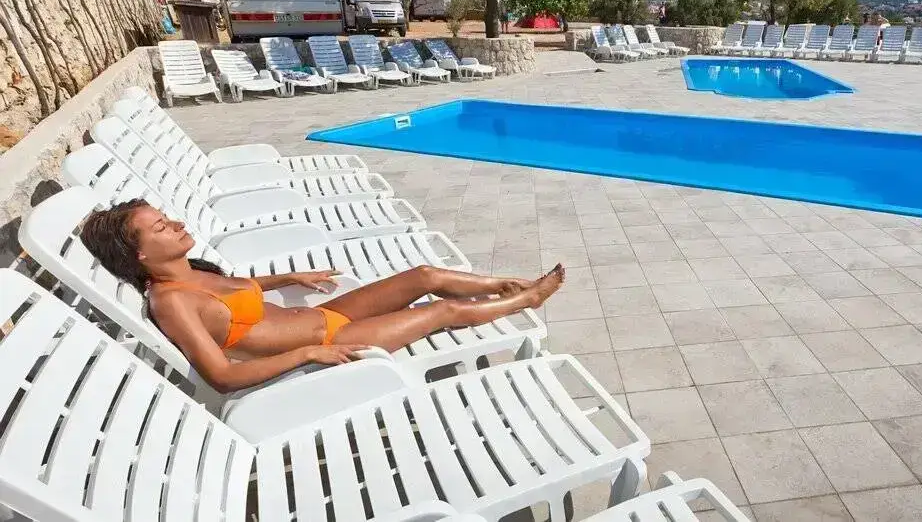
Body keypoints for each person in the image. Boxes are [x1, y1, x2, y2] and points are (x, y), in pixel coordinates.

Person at [80, 200, 564, 393]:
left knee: (424, 275)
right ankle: (527, 300)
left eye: (167, 217)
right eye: (161, 227)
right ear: (138, 254)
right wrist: (307, 353)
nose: (177, 223)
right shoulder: (169, 302)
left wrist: (288, 277)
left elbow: (234, 296)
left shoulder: (192, 272)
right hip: (331, 342)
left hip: (325, 315)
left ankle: (508, 283)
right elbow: (222, 376)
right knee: (442, 310)